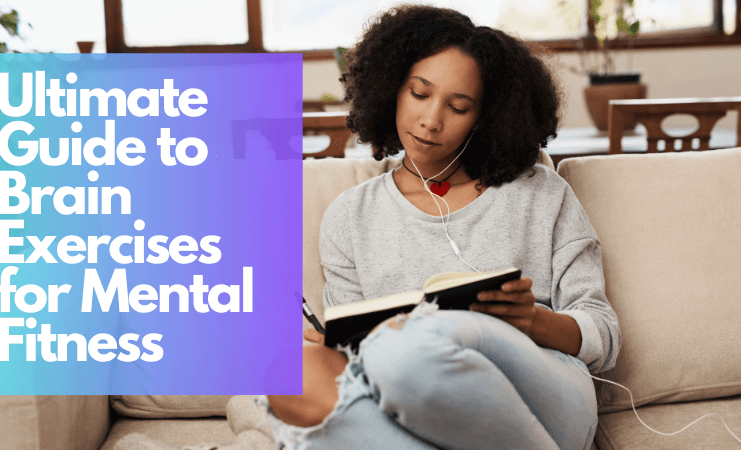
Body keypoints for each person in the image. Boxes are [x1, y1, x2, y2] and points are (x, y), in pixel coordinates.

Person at [260, 5, 621, 450]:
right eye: (419, 94)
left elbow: (603, 334)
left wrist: (533, 321)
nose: (432, 120)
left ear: (485, 116)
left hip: (544, 393)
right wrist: (335, 345)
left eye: (459, 106)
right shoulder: (349, 216)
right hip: (408, 401)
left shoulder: (538, 192)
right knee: (293, 369)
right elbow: (353, 364)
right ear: (391, 89)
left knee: (411, 341)